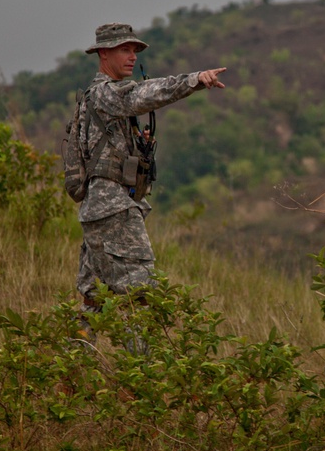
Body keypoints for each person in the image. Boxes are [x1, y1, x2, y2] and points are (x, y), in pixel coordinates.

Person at [76, 22, 226, 318]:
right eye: (124, 49)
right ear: (104, 54)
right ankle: (141, 364)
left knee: (93, 300)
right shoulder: (107, 93)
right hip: (113, 211)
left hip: (101, 211)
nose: (132, 56)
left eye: (134, 50)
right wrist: (194, 80)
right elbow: (144, 94)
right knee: (141, 294)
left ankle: (73, 359)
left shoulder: (99, 97)